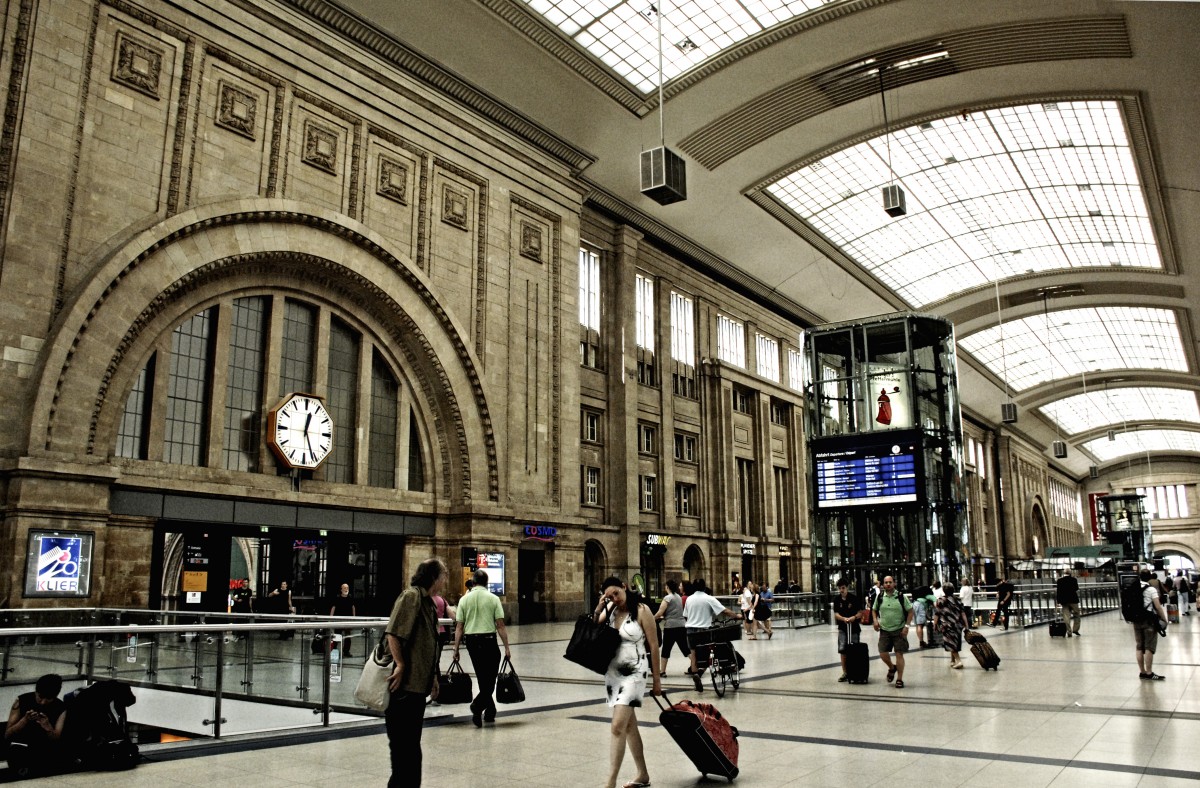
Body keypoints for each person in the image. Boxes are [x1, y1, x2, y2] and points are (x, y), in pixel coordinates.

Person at [385, 558, 446, 787]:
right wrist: (400, 664)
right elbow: (393, 633)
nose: (446, 578)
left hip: (418, 687)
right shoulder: (411, 597)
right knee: (404, 750)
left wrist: (433, 676)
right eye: (444, 574)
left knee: (412, 750)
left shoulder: (429, 603)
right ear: (434, 577)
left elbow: (427, 644)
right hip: (404, 688)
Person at [596, 576, 661, 788]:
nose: (615, 598)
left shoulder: (642, 610)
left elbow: (653, 645)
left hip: (635, 672)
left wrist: (657, 681)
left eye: (616, 593)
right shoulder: (612, 610)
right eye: (610, 596)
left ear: (624, 587)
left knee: (617, 726)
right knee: (630, 726)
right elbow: (595, 623)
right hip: (613, 672)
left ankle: (610, 782)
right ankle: (642, 774)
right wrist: (600, 606)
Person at [452, 568, 512, 728]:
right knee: (490, 677)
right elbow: (500, 625)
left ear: (474, 582)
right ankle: (477, 706)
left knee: (482, 676)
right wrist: (506, 647)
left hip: (472, 642)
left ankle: (490, 711)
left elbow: (459, 627)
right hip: (489, 641)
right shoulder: (493, 599)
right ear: (487, 583)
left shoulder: (464, 600)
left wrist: (456, 649)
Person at [4, 673, 68, 778]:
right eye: (40, 697)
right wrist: (24, 721)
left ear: (55, 696)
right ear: (36, 692)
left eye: (48, 699)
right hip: (21, 747)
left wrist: (48, 727)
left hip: (43, 750)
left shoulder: (60, 708)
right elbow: (7, 734)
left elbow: (56, 738)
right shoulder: (22, 701)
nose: (43, 702)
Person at [682, 578, 737, 692]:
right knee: (709, 654)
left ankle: (696, 674)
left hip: (690, 630)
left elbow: (686, 615)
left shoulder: (689, 599)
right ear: (704, 586)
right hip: (704, 630)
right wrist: (737, 616)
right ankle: (701, 672)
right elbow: (724, 611)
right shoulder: (709, 598)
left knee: (694, 655)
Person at [871, 576, 913, 688]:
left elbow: (910, 611)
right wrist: (875, 621)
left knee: (899, 653)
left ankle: (899, 679)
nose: (888, 584)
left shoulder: (900, 596)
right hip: (884, 630)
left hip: (899, 630)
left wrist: (907, 626)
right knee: (882, 653)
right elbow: (874, 609)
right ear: (883, 585)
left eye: (890, 582)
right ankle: (891, 667)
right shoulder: (880, 596)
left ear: (894, 583)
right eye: (886, 582)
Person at [1132, 569, 1169, 681]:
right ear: (1149, 578)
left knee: (1139, 646)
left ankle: (1142, 672)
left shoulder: (1133, 587)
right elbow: (1157, 606)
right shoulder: (1151, 589)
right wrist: (1164, 619)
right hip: (1148, 620)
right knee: (1149, 647)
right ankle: (1149, 672)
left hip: (1136, 620)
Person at [653, 579, 689, 676]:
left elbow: (660, 612)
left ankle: (662, 671)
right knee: (685, 648)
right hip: (681, 625)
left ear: (667, 587)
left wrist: (652, 618)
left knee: (666, 649)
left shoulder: (667, 598)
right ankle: (695, 666)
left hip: (670, 627)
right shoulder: (678, 597)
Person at [832, 577, 861, 682]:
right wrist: (843, 619)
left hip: (854, 628)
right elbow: (836, 614)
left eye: (843, 588)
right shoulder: (837, 600)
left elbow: (860, 613)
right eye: (840, 588)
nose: (841, 590)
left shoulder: (854, 598)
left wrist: (854, 617)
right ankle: (845, 672)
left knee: (854, 649)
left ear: (847, 588)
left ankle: (855, 671)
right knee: (843, 650)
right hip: (843, 628)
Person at [934, 587, 969, 668]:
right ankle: (952, 661)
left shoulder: (940, 600)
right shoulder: (957, 600)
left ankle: (959, 661)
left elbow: (937, 613)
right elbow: (963, 613)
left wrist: (935, 624)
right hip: (958, 625)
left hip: (946, 625)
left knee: (951, 643)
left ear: (943, 591)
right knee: (954, 642)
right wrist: (966, 625)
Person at [329, 582, 358, 656]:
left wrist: (354, 618)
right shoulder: (337, 598)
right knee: (337, 635)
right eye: (344, 588)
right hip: (338, 620)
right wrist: (330, 618)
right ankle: (334, 649)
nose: (346, 589)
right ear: (341, 589)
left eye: (347, 588)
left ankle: (346, 651)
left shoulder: (350, 598)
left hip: (348, 620)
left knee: (348, 637)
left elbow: (353, 607)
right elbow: (333, 608)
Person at [1056, 569, 1081, 637]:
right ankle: (1075, 630)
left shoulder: (1060, 580)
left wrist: (1058, 601)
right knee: (1076, 614)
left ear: (1064, 573)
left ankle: (1069, 631)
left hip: (1064, 601)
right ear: (1070, 573)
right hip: (1073, 600)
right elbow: (1076, 588)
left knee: (1066, 616)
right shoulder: (1074, 580)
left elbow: (1058, 592)